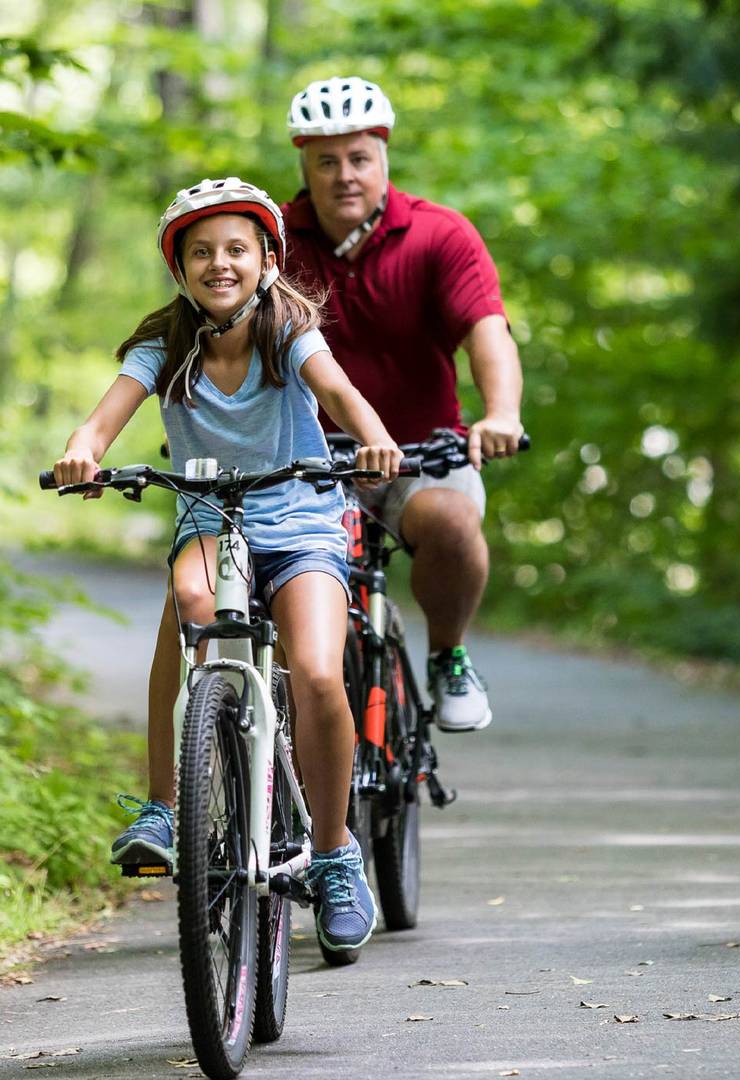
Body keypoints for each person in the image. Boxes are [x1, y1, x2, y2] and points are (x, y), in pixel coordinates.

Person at [53, 177, 402, 953]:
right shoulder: (164, 346)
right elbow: (102, 419)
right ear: (179, 270)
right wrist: (83, 451)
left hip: (301, 518)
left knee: (319, 673)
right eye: (201, 252)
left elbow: (339, 390)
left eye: (237, 249)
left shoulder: (290, 330)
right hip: (211, 518)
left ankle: (334, 854)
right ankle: (165, 808)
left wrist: (374, 437)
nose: (220, 263)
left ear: (267, 260)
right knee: (187, 602)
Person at [141, 76, 527, 738]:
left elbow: (487, 331)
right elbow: (208, 326)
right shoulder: (270, 244)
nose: (344, 175)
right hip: (292, 465)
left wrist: (502, 414)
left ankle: (447, 657)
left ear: (383, 157)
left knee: (451, 521)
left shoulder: (439, 235)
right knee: (291, 607)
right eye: (326, 161)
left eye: (358, 158)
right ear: (304, 165)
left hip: (415, 454)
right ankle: (278, 752)